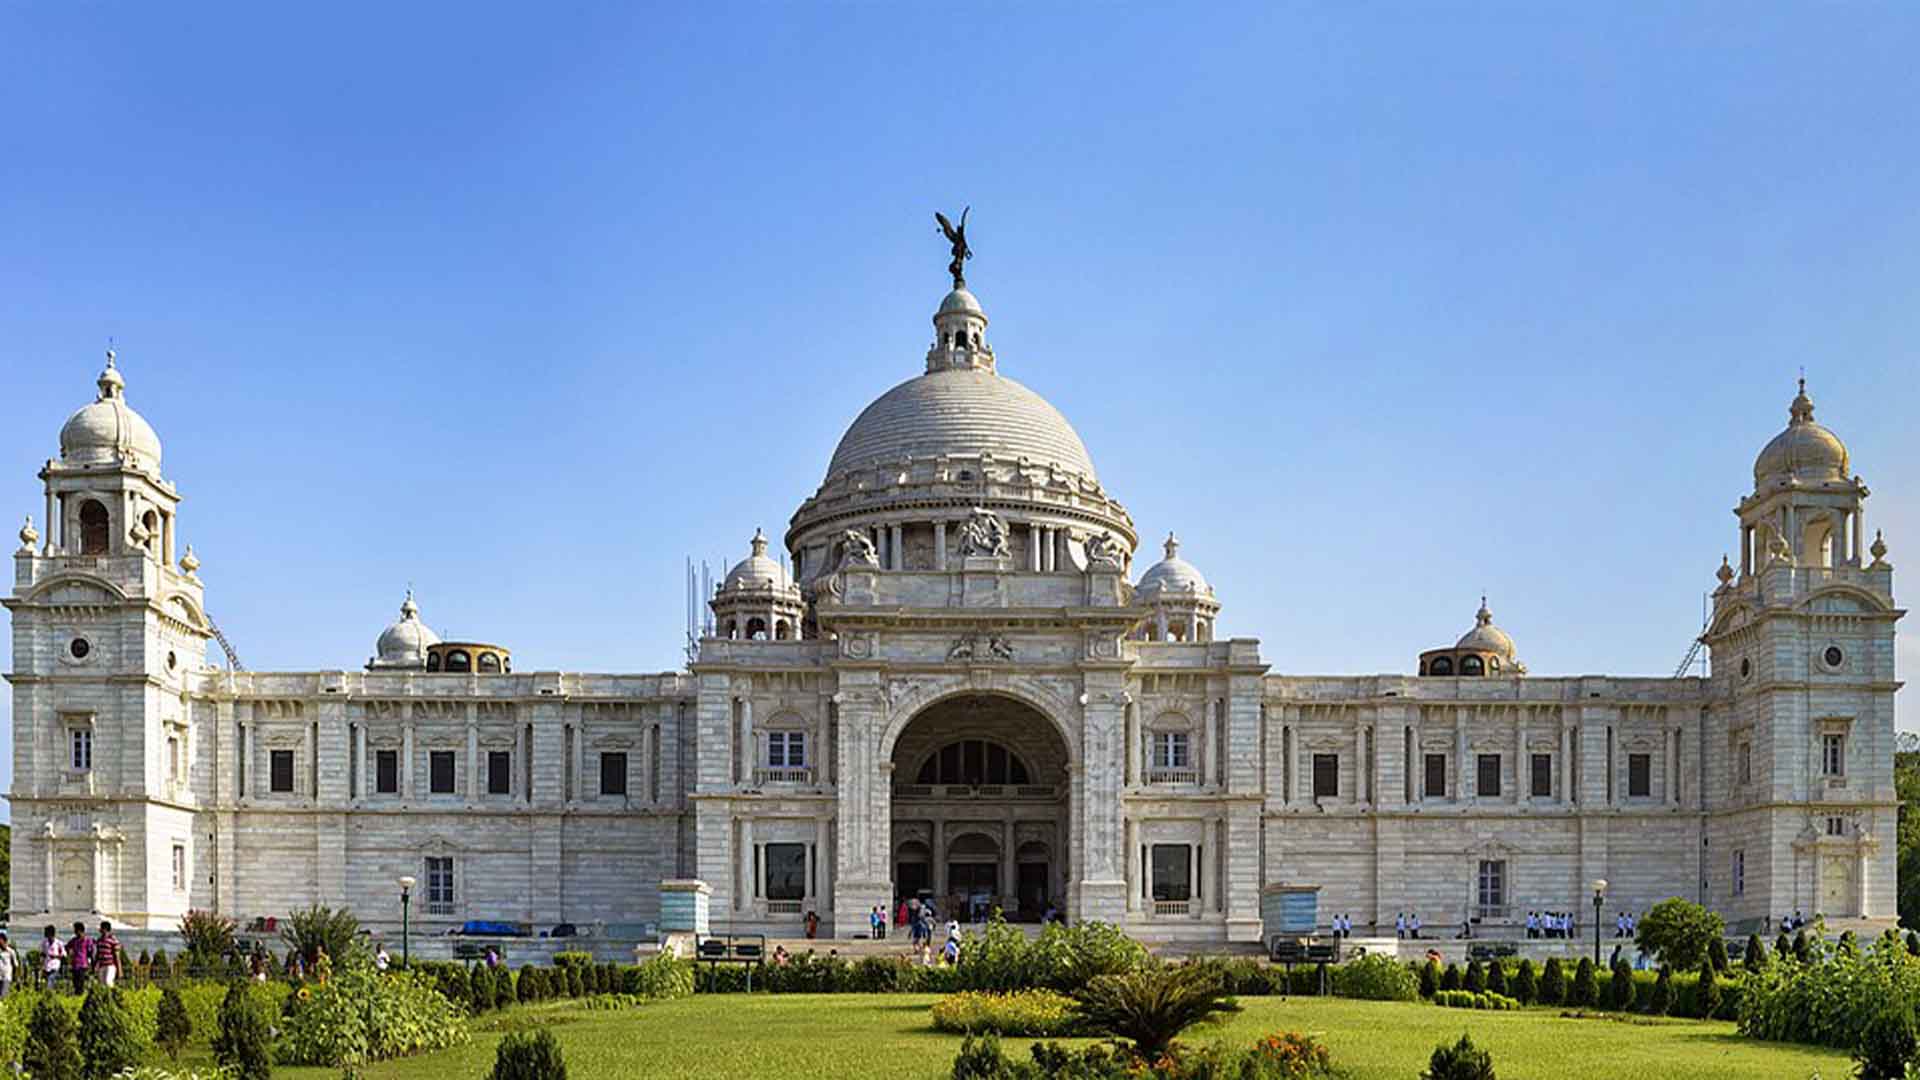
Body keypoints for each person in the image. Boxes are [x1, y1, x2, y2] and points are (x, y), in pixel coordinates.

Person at [67, 921, 93, 994]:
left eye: (75, 930)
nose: (74, 932)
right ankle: (77, 996)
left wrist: (91, 963)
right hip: (75, 964)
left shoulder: (87, 940)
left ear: (80, 930)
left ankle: (80, 995)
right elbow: (67, 947)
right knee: (75, 982)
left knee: (81, 982)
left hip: (83, 964)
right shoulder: (74, 940)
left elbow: (90, 952)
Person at [95, 921, 121, 988]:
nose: (100, 930)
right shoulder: (99, 940)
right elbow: (98, 953)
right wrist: (96, 964)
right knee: (101, 984)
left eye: (101, 928)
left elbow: (116, 955)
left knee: (108, 982)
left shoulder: (113, 940)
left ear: (105, 929)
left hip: (110, 965)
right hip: (102, 965)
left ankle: (111, 995)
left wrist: (119, 969)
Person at [40, 926, 63, 992]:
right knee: (48, 981)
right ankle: (50, 994)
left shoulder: (59, 943)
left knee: (50, 980)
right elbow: (42, 953)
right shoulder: (44, 942)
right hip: (46, 965)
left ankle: (49, 993)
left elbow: (63, 955)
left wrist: (55, 956)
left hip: (55, 966)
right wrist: (41, 964)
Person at [0, 930, 16, 998]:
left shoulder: (11, 952)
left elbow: (15, 965)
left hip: (7, 977)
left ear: (4, 941)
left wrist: (15, 977)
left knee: (4, 996)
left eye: (1, 941)